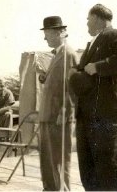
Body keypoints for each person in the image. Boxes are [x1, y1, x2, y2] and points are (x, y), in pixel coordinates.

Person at [70, 4, 117, 191]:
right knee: (90, 163)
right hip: (93, 112)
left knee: (111, 160)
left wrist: (99, 66)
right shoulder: (94, 42)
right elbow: (87, 74)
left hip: (110, 110)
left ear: (98, 18)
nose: (86, 23)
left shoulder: (113, 34)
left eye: (88, 19)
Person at [38, 16, 78, 191]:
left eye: (46, 33)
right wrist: (43, 76)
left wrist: (65, 112)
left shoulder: (68, 54)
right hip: (48, 116)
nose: (45, 38)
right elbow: (56, 83)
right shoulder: (57, 54)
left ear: (58, 32)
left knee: (59, 161)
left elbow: (73, 86)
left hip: (58, 118)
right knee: (47, 161)